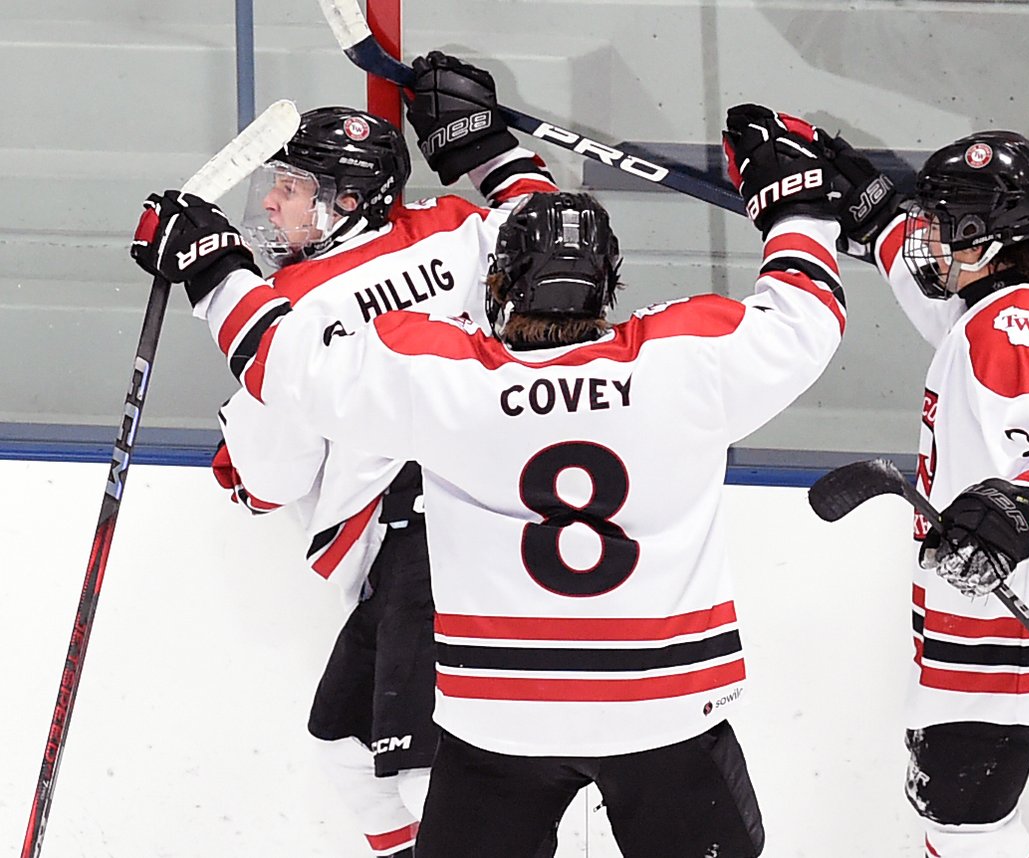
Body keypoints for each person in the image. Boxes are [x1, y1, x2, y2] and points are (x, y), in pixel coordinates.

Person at [130, 103, 848, 857]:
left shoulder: (449, 384)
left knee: (382, 763)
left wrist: (212, 265)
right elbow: (806, 316)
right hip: (665, 705)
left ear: (498, 284)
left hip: (503, 717)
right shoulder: (684, 364)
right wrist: (797, 203)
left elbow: (284, 365)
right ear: (610, 286)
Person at [189, 53, 558, 858]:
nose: (273, 202)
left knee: (436, 775)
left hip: (432, 539)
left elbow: (272, 479)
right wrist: (481, 141)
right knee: (345, 740)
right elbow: (555, 237)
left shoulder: (287, 307)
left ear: (348, 203)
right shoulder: (457, 227)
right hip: (504, 512)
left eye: (292, 188)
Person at [820, 128, 1029, 856]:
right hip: (1017, 610)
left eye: (940, 221)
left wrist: (1014, 515)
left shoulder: (1009, 333)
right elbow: (953, 317)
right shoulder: (1020, 295)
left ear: (982, 235)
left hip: (1009, 625)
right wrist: (876, 216)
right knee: (963, 816)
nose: (927, 235)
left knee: (962, 824)